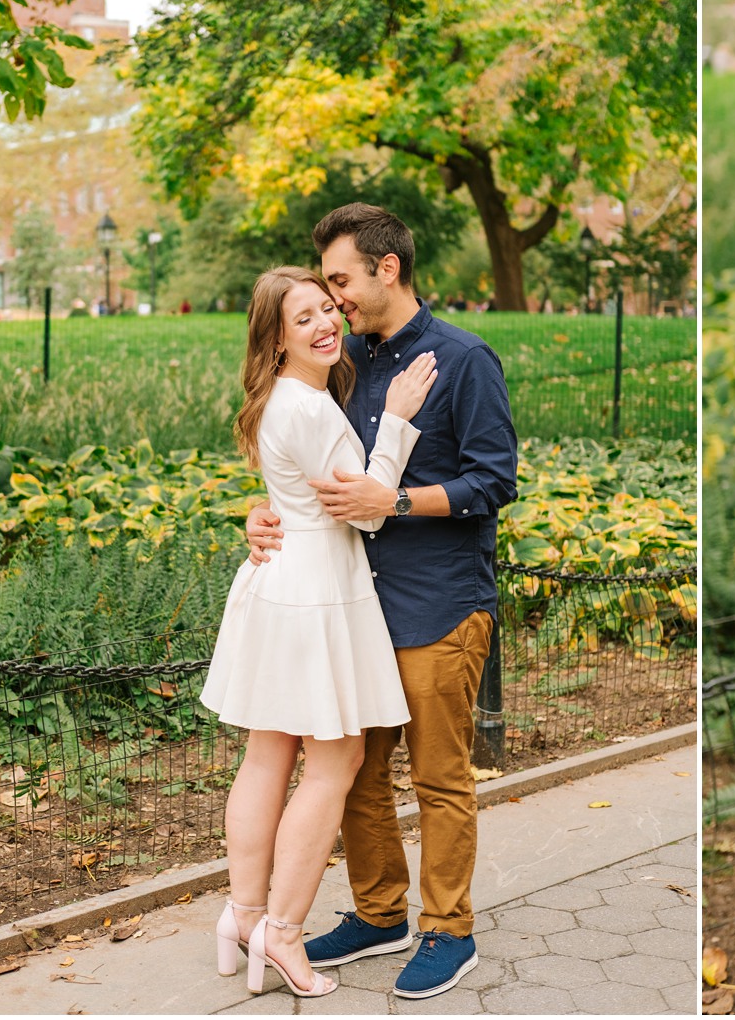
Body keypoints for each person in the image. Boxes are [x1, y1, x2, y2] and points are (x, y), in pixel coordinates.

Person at [245, 203, 518, 1000]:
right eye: (325, 292)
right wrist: (266, 515)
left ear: (386, 268)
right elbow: (305, 457)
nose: (335, 304)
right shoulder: (347, 361)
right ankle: (378, 913)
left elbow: (494, 482)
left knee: (439, 779)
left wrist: (395, 502)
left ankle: (448, 929)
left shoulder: (464, 359)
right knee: (357, 774)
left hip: (439, 604)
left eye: (340, 283)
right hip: (352, 606)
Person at [202, 265, 438, 998]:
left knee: (268, 754)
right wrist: (397, 419)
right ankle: (283, 930)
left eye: (327, 309)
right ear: (276, 339)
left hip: (282, 584)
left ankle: (243, 917)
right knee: (332, 765)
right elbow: (365, 509)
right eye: (302, 318)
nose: (325, 324)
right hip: (317, 591)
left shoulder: (286, 399)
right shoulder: (306, 407)